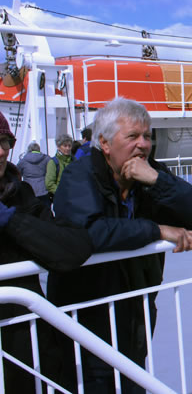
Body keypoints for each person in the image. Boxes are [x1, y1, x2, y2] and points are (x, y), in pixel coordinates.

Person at [46, 97, 192, 393]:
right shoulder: (79, 175)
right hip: (89, 313)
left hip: (135, 309)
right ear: (105, 143)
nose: (143, 145)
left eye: (148, 136)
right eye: (133, 136)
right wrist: (157, 230)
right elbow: (89, 232)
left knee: (134, 380)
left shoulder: (149, 177)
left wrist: (156, 179)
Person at [0, 113, 93, 392]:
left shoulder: (22, 194)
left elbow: (68, 251)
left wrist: (11, 220)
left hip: (22, 326)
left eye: (4, 141)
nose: (2, 150)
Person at [17, 141, 52, 206]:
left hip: (28, 191)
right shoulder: (47, 159)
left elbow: (17, 174)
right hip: (43, 190)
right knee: (46, 212)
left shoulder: (23, 161)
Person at [45, 133, 75, 200]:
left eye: (69, 146)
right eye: (65, 146)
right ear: (58, 147)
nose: (67, 148)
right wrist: (63, 193)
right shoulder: (53, 162)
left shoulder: (74, 160)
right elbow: (49, 184)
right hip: (61, 198)